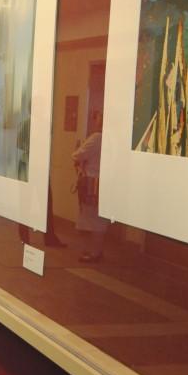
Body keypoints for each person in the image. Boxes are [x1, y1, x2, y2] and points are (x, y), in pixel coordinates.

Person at [72, 110, 109, 262]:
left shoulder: (97, 137)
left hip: (92, 182)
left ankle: (93, 253)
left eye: (98, 117)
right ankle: (97, 251)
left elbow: (77, 155)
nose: (95, 120)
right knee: (100, 218)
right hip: (106, 182)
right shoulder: (113, 138)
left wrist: (76, 150)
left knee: (91, 219)